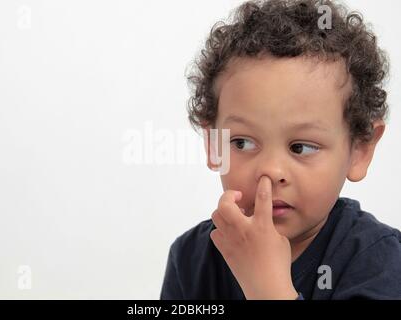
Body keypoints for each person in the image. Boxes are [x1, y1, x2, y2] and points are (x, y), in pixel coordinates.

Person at [160, 0, 401, 299]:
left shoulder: (379, 262)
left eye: (301, 147)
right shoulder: (190, 259)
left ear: (360, 150)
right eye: (242, 143)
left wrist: (268, 289)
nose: (271, 170)